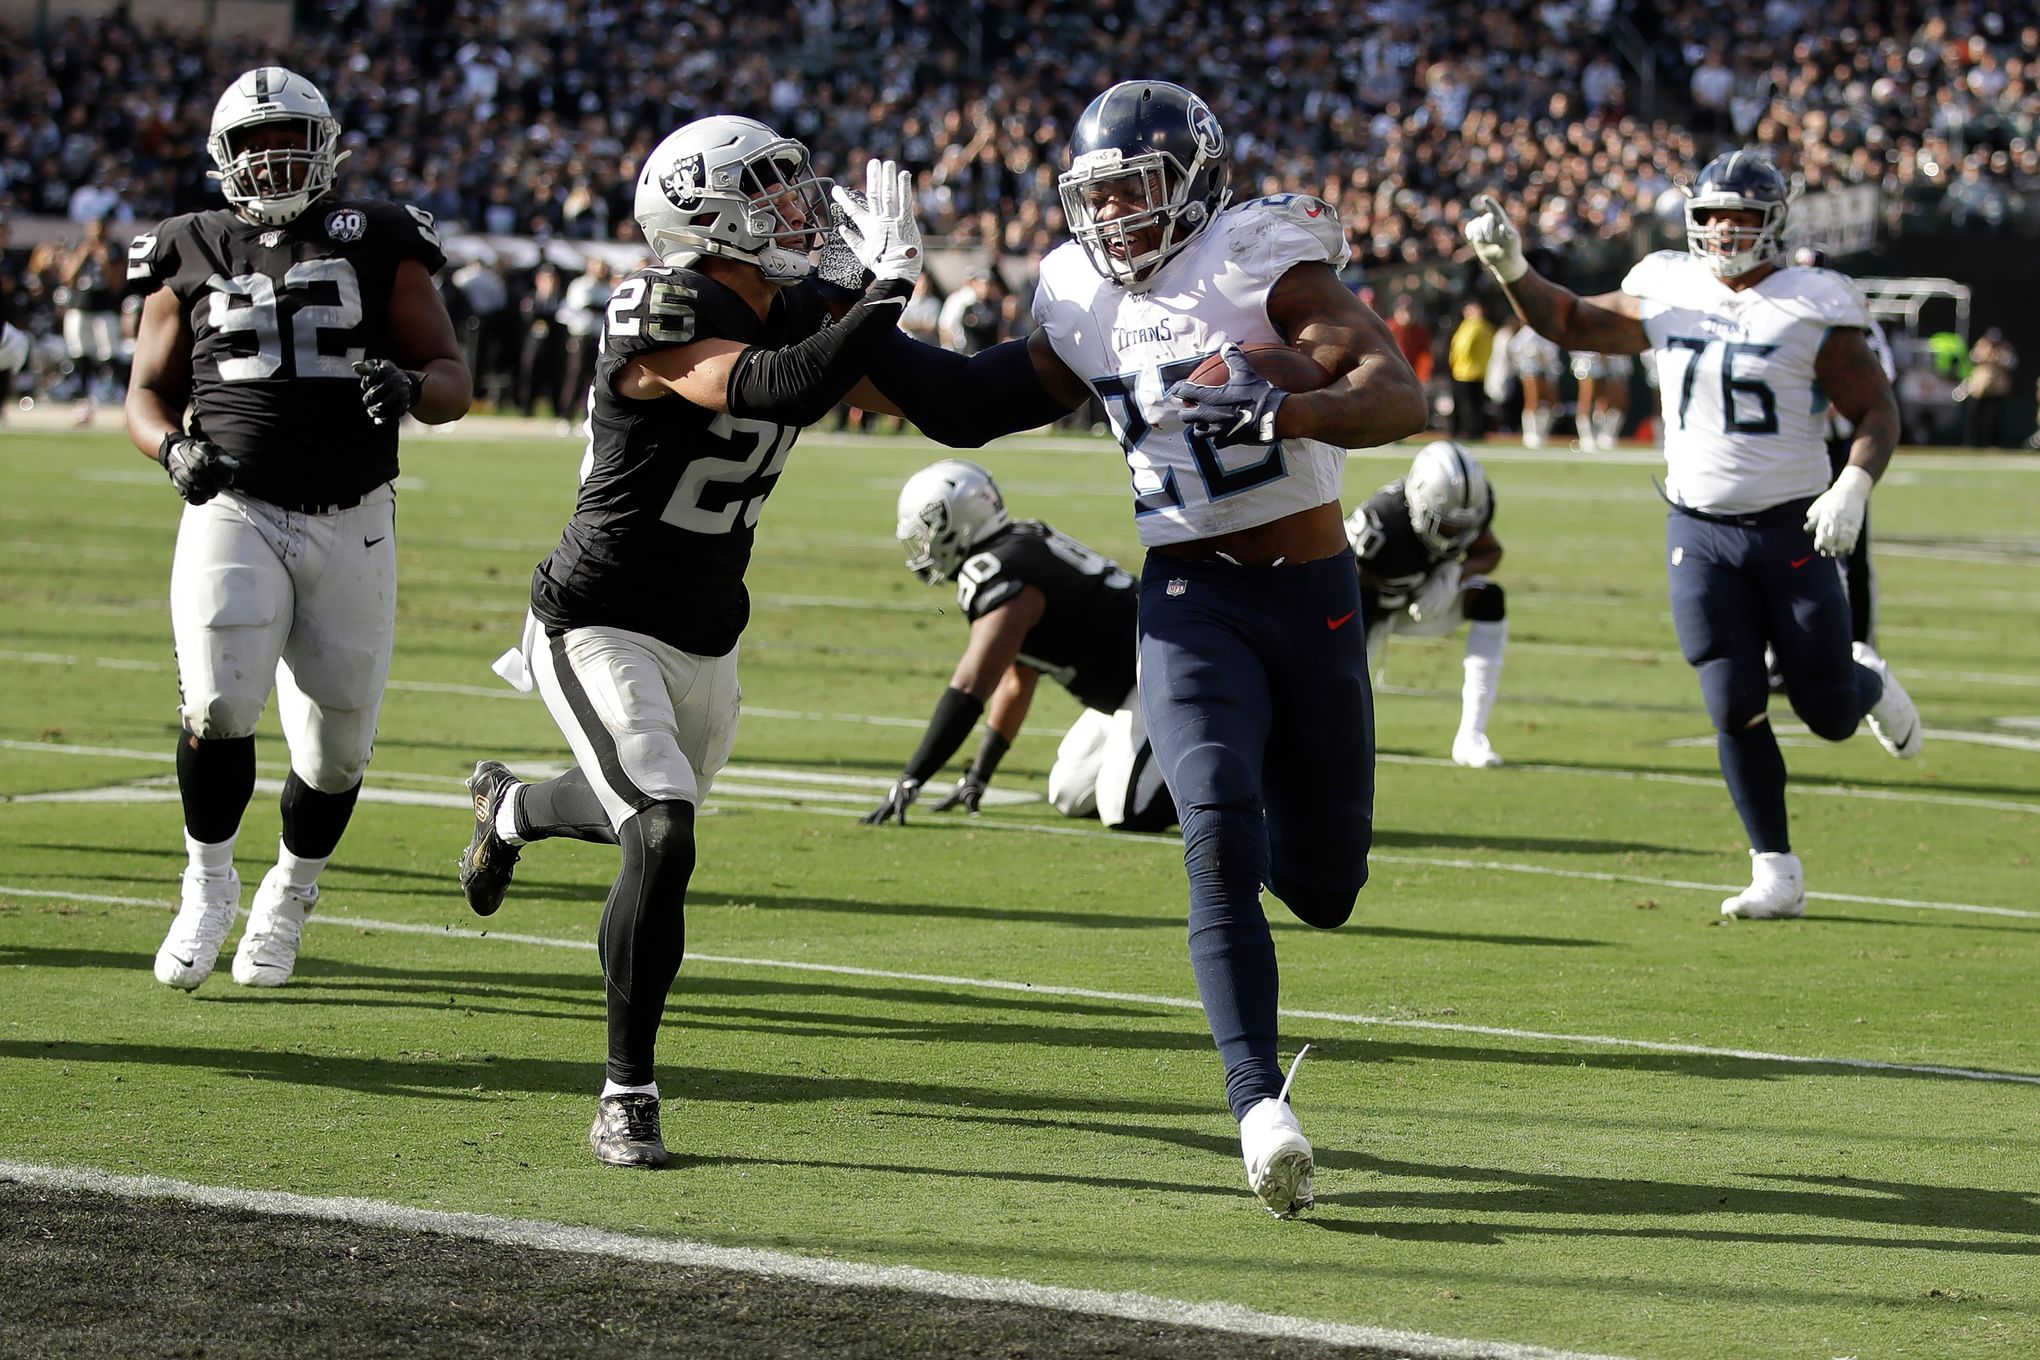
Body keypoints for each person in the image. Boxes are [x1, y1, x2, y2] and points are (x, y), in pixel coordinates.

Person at [853, 80, 1426, 1215]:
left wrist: (1291, 407)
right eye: (1096, 197)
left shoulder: (1264, 257)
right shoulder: (1076, 292)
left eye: (1136, 192)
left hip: (1311, 597)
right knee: (1213, 832)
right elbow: (968, 402)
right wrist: (863, 306)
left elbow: (1395, 394)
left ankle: (1270, 900)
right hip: (1189, 597)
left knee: (1324, 886)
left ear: (1199, 182)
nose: (1113, 218)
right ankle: (1261, 1106)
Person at [452, 118, 927, 1169]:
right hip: (598, 615)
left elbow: (941, 392)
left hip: (710, 629)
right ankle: (627, 1092)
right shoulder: (658, 303)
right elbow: (773, 386)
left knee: (646, 812)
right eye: (766, 189)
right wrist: (884, 291)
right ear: (702, 212)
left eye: (792, 186)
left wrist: (1091, 363)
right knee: (661, 831)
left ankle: (513, 808)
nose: (797, 207)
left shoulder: (793, 303)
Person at [1465, 151, 1922, 920]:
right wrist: (1513, 266)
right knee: (1731, 698)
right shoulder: (1668, 283)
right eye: (1710, 214)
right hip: (1700, 531)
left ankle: (1867, 682)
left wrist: (1854, 483)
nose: (1724, 230)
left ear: (1774, 221)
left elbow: (1876, 412)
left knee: (1828, 714)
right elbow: (1571, 320)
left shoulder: (1815, 301)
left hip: (1793, 527)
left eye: (1741, 215)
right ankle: (1775, 866)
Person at [124, 66, 471, 990]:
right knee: (219, 705)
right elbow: (146, 394)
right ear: (223, 156)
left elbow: (450, 376)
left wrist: (410, 390)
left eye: (288, 138)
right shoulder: (186, 244)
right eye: (253, 142)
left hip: (354, 515)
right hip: (234, 505)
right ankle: (206, 885)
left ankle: (291, 891)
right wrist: (169, 451)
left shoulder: (380, 235)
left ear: (325, 147)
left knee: (337, 747)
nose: (271, 158)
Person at [862, 460, 1174, 833]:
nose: (923, 546)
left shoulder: (1000, 573)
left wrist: (912, 778)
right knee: (1069, 793)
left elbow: (969, 687)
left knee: (1125, 808)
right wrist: (978, 776)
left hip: (1164, 671)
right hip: (1131, 685)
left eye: (927, 532)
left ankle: (1240, 785)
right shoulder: (1017, 548)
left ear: (955, 522)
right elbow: (1017, 679)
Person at [1346, 441, 1508, 768]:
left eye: (1461, 527)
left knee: (1489, 600)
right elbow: (1336, 577)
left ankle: (1471, 737)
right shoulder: (1381, 521)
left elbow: (1490, 552)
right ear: (1419, 501)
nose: (1453, 535)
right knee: (1346, 716)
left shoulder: (1472, 506)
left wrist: (1458, 572)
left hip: (1424, 601)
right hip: (1368, 608)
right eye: (1446, 524)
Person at [1792, 245, 1894, 646]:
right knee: (1789, 549)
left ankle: (1859, 646)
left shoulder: (1851, 315)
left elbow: (1882, 372)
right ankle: (1785, 651)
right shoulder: (1783, 313)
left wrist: (1842, 395)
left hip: (1840, 445)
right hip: (1795, 444)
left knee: (1851, 545)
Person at [58, 217, 122, 422]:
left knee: (110, 354)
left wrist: (104, 262)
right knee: (80, 354)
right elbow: (67, 277)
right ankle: (84, 403)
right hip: (80, 307)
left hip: (104, 308)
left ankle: (122, 400)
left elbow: (116, 283)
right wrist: (82, 256)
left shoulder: (114, 249)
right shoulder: (79, 246)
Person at [1506, 317, 1562, 447]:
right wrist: (1530, 358)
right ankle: (1530, 434)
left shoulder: (1548, 333)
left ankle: (1542, 432)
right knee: (1533, 401)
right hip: (1531, 372)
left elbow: (1552, 354)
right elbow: (1514, 347)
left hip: (1547, 373)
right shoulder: (1528, 332)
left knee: (1551, 404)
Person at [1960, 328, 2019, 448]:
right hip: (1979, 389)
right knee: (1974, 417)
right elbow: (1972, 358)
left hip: (1997, 390)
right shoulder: (1981, 345)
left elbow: (2012, 363)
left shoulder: (2005, 348)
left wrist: (1998, 357)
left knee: (1994, 419)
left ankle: (1993, 444)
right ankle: (1971, 444)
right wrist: (1985, 354)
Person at [1447, 299, 1495, 440]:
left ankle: (1465, 431)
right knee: (1477, 405)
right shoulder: (1488, 328)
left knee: (1466, 404)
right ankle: (1476, 431)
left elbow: (1461, 349)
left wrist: (1454, 363)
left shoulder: (1471, 328)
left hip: (1464, 371)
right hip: (1480, 371)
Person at [1570, 350, 1633, 451]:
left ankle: (1605, 435)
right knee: (1587, 398)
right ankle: (1586, 437)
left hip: (1612, 358)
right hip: (1589, 357)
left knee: (1613, 400)